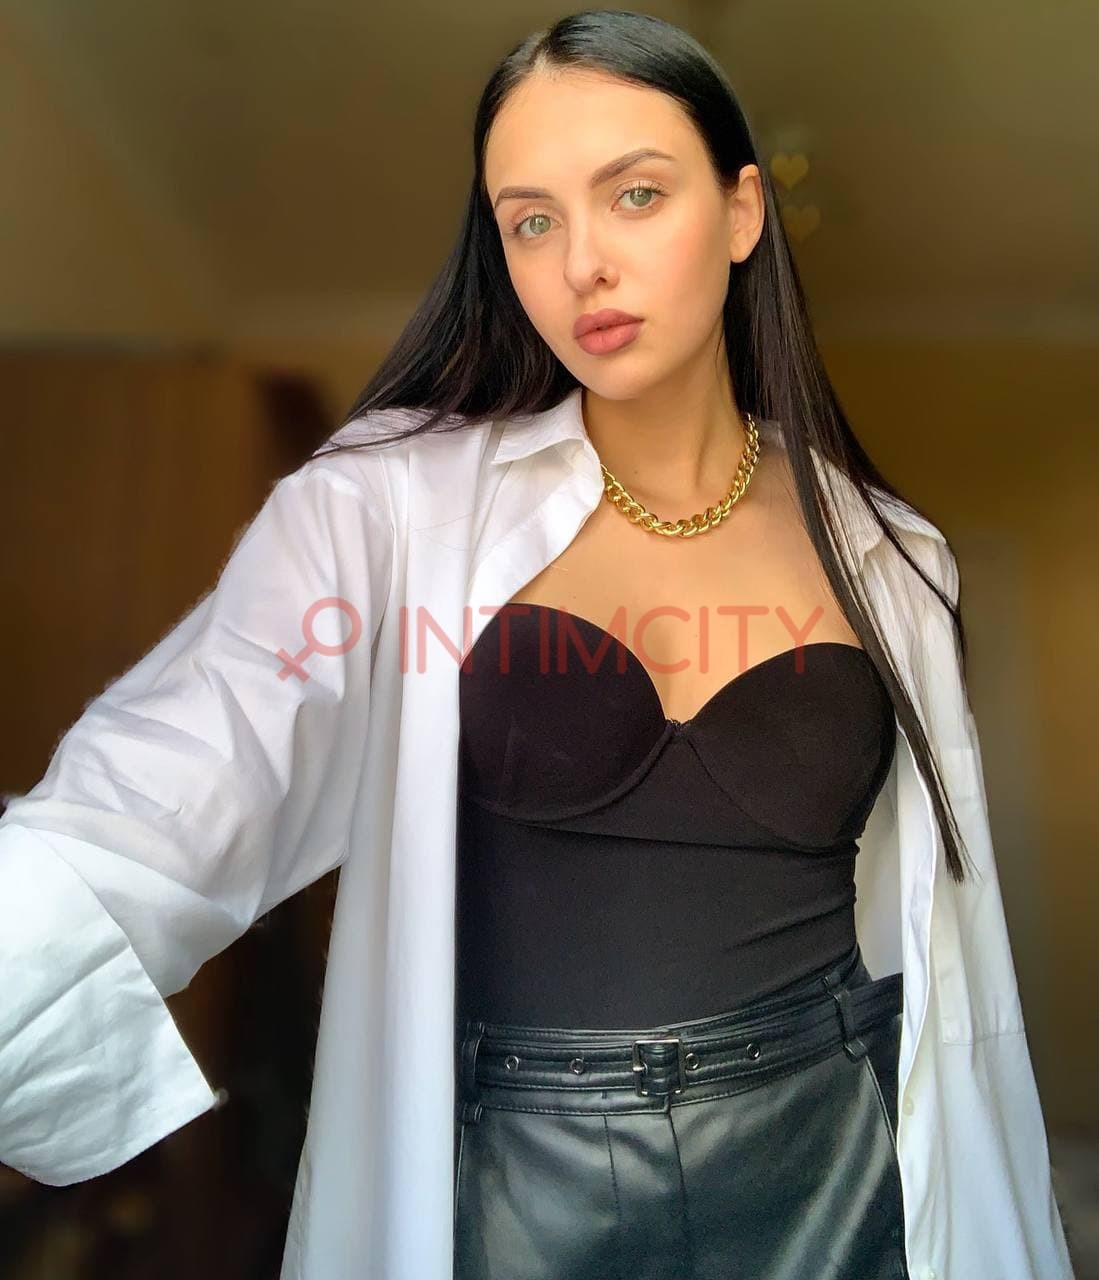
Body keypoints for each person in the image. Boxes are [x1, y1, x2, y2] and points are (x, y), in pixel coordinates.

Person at [0, 10, 1075, 1280]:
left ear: (741, 212)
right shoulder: (385, 511)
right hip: (520, 1178)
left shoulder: (892, 556)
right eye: (530, 221)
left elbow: (957, 960)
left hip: (838, 1143)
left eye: (635, 194)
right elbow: (173, 777)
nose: (582, 265)